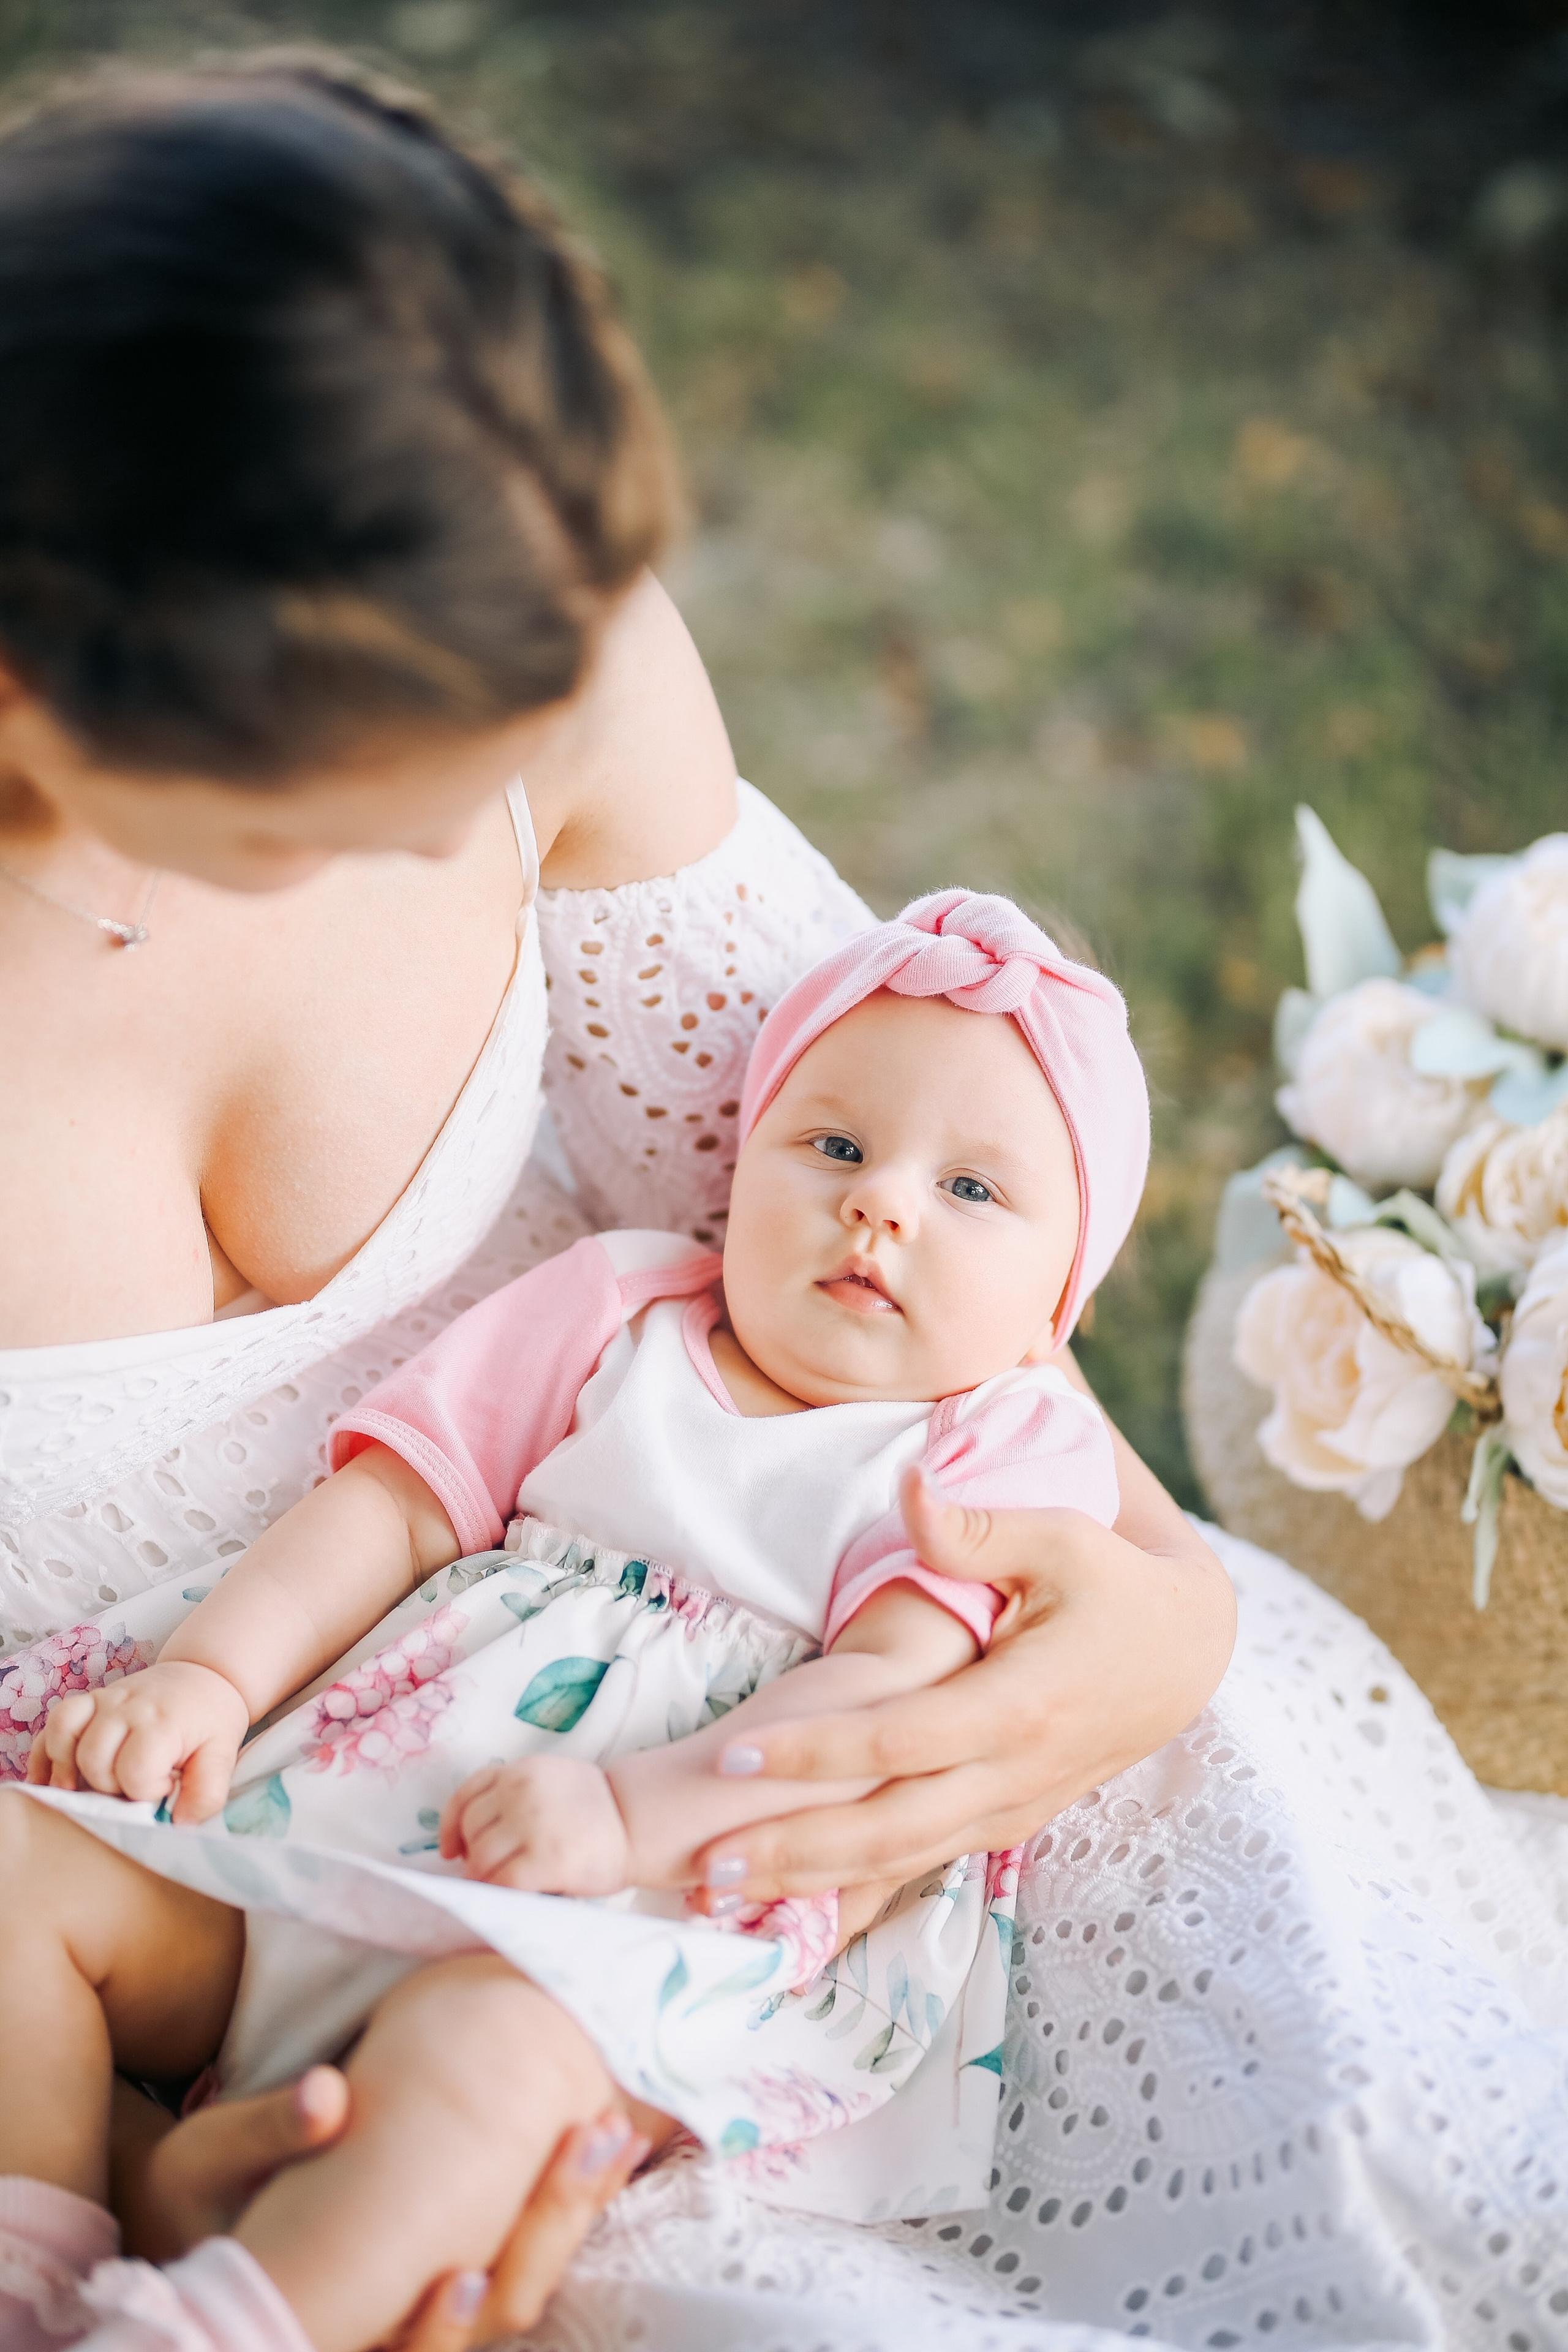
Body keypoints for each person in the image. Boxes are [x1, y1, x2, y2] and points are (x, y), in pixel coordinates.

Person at [19, 48, 1547, 2352]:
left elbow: (938, 1275)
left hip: (719, 1807)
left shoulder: (526, 633)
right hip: (145, 1871)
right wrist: (141, 2171)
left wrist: (1156, 1625)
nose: (471, 812)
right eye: (366, 790)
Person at [8, 892, 1152, 2352]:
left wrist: (630, 1819)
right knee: (20, 1875)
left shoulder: (983, 1453)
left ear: (1058, 1306)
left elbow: (877, 1699)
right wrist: (212, 1681)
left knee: (482, 2064)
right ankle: (30, 2267)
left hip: (614, 1918)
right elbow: (396, 1509)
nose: (882, 1204)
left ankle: (217, 2331)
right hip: (319, 1828)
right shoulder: (618, 1309)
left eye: (973, 1191)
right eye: (838, 1147)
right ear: (744, 1173)